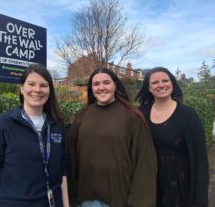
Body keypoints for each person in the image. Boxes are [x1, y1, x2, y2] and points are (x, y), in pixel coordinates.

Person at [0, 63, 69, 207]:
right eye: (31, 84)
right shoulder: (1, 125)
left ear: (50, 90)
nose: (37, 90)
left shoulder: (56, 127)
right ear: (22, 88)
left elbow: (62, 173)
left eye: (43, 85)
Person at [66, 67, 157, 207]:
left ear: (115, 85)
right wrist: (72, 197)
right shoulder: (82, 116)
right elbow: (70, 157)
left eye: (106, 83)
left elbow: (145, 162)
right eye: (96, 84)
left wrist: (138, 203)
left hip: (121, 199)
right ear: (91, 88)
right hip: (87, 199)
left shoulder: (132, 116)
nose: (101, 88)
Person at [136, 67, 209, 207]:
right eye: (155, 82)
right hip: (150, 186)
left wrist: (200, 199)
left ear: (172, 84)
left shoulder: (188, 115)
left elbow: (201, 160)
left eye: (165, 80)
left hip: (181, 186)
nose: (161, 85)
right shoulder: (140, 115)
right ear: (149, 88)